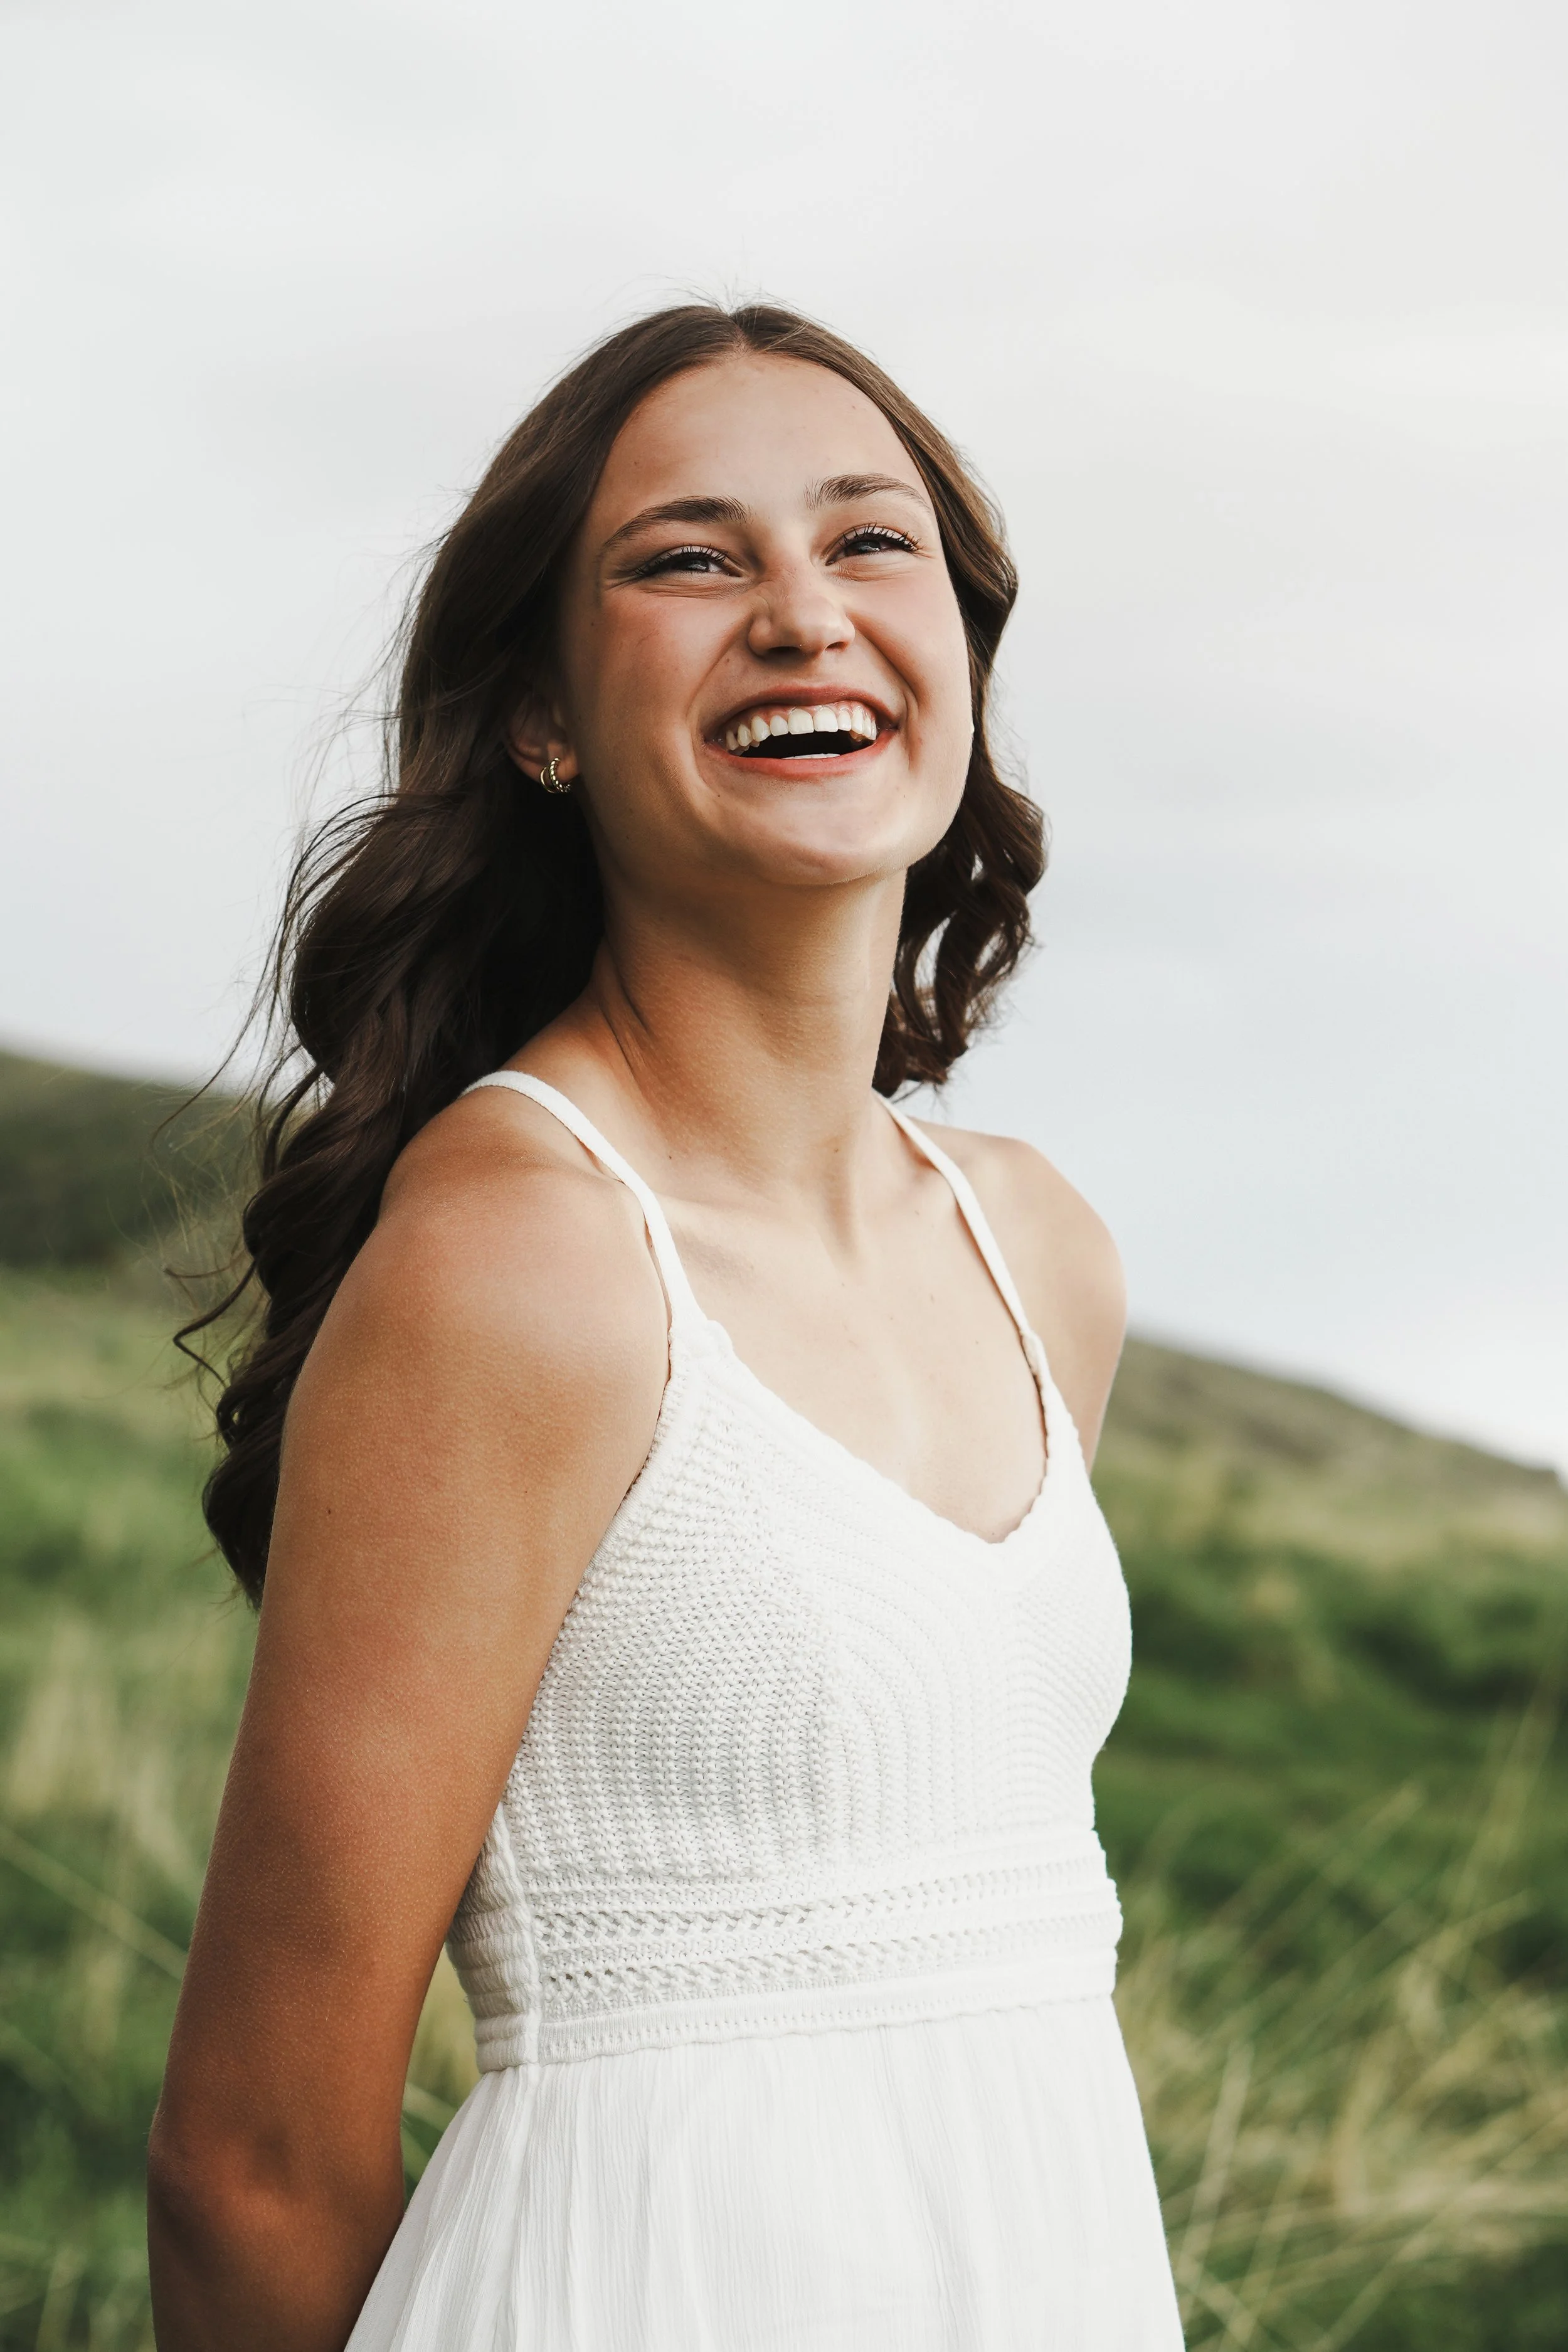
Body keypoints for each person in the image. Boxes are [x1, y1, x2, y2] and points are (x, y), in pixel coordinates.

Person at [147, 302, 1184, 2351]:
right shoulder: (519, 1262)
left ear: (958, 649)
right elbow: (253, 2153)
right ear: (540, 714)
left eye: (866, 542)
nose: (799, 610)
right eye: (690, 558)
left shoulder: (1035, 1248)